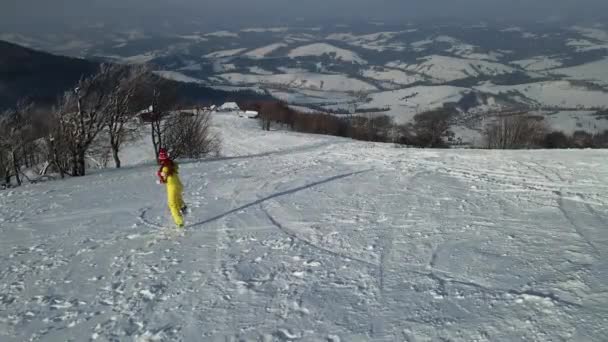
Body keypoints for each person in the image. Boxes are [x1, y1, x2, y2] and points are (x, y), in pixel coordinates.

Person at [157, 148, 187, 228]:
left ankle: (179, 222)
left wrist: (161, 179)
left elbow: (164, 178)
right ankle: (183, 206)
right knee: (177, 199)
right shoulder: (171, 164)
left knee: (172, 204)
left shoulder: (165, 168)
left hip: (172, 186)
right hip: (178, 185)